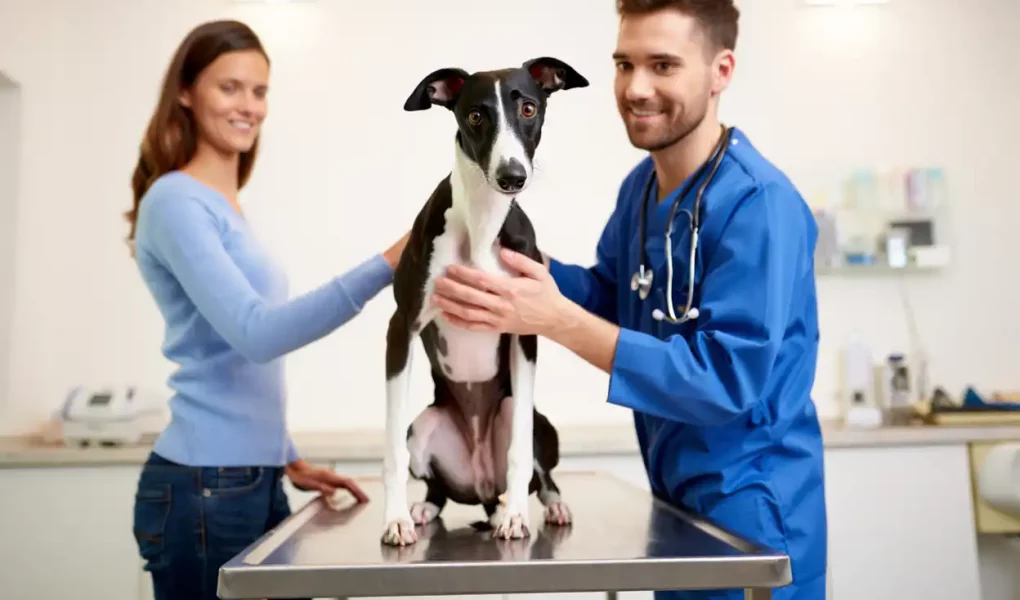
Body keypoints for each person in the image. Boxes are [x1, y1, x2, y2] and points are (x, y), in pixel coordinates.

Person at [429, 1, 826, 598]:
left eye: (663, 65)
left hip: (755, 522)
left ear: (721, 71)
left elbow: (726, 379)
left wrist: (556, 320)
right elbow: (610, 296)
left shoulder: (760, 206)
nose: (636, 88)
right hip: (674, 512)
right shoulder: (641, 189)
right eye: (624, 64)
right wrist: (495, 258)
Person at [124, 19, 409, 600]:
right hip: (204, 489)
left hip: (250, 479)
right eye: (229, 87)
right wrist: (389, 263)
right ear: (185, 91)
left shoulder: (223, 205)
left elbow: (230, 360)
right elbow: (255, 333)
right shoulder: (176, 201)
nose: (249, 106)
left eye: (260, 91)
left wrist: (286, 455)